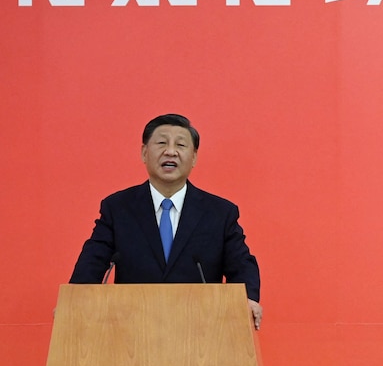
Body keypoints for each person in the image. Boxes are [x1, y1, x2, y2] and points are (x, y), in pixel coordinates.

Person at [69, 113, 263, 329]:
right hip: (130, 331)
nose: (170, 151)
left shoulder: (219, 212)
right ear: (144, 152)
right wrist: (74, 301)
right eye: (161, 142)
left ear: (194, 157)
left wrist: (247, 298)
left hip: (201, 333)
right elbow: (93, 262)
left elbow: (241, 264)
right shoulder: (118, 207)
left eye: (180, 144)